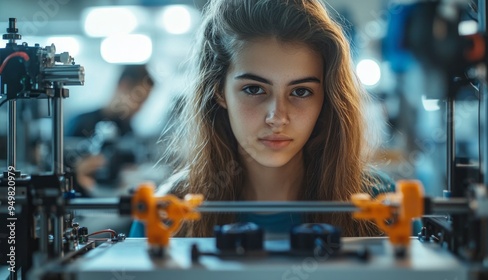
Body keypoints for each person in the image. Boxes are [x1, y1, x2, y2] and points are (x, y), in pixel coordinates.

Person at [129, 0, 394, 238]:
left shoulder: (381, 205)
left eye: (301, 92)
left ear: (326, 97)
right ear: (218, 90)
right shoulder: (166, 212)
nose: (277, 118)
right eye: (254, 89)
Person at [66, 64, 155, 195]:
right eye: (139, 99)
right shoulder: (81, 123)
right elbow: (60, 171)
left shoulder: (128, 130)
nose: (140, 108)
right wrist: (77, 172)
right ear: (124, 85)